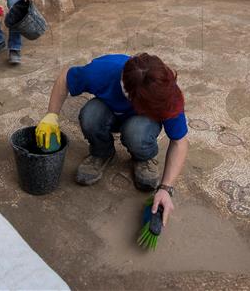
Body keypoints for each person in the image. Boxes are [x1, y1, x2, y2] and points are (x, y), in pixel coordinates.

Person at [36, 53, 189, 225]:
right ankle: (102, 152)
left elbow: (179, 142)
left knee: (137, 133)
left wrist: (166, 188)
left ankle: (143, 158)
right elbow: (65, 78)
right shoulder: (102, 71)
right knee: (90, 116)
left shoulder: (165, 92)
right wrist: (51, 115)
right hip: (109, 111)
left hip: (140, 124)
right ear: (128, 95)